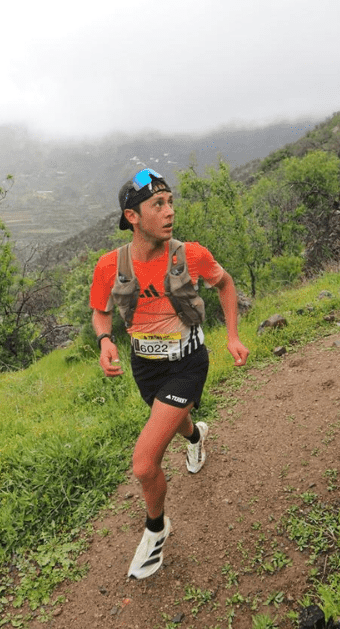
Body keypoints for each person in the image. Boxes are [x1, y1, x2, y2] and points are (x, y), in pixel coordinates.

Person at [89, 167, 249, 579]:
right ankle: (197, 436)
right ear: (133, 217)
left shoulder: (191, 254)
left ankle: (156, 530)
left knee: (144, 464)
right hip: (146, 366)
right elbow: (101, 311)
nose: (169, 211)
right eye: (157, 204)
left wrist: (231, 335)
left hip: (188, 362)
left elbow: (226, 283)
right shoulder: (110, 266)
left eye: (171, 202)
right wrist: (106, 341)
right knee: (173, 420)